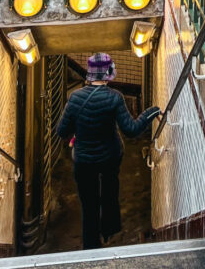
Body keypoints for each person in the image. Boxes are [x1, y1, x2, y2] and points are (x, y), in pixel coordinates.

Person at [56, 53, 161, 249]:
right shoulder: (115, 98)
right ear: (108, 74)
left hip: (84, 161)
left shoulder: (75, 98)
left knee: (89, 205)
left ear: (89, 75)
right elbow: (131, 130)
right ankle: (109, 230)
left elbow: (62, 131)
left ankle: (91, 246)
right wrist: (150, 113)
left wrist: (78, 133)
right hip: (110, 158)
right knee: (110, 194)